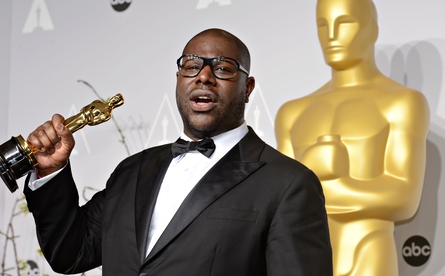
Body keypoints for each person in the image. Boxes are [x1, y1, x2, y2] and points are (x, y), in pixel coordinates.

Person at [23, 28, 333, 275]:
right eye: (192, 66)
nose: (204, 76)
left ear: (247, 88)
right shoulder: (131, 171)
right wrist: (51, 171)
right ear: (179, 79)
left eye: (223, 68)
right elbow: (71, 253)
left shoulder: (288, 184)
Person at [275, 0, 429, 275]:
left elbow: (404, 197)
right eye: (323, 25)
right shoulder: (292, 113)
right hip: (300, 260)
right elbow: (280, 204)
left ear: (373, 29)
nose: (331, 35)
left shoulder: (402, 103)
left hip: (368, 256)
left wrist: (321, 187)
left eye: (344, 23)